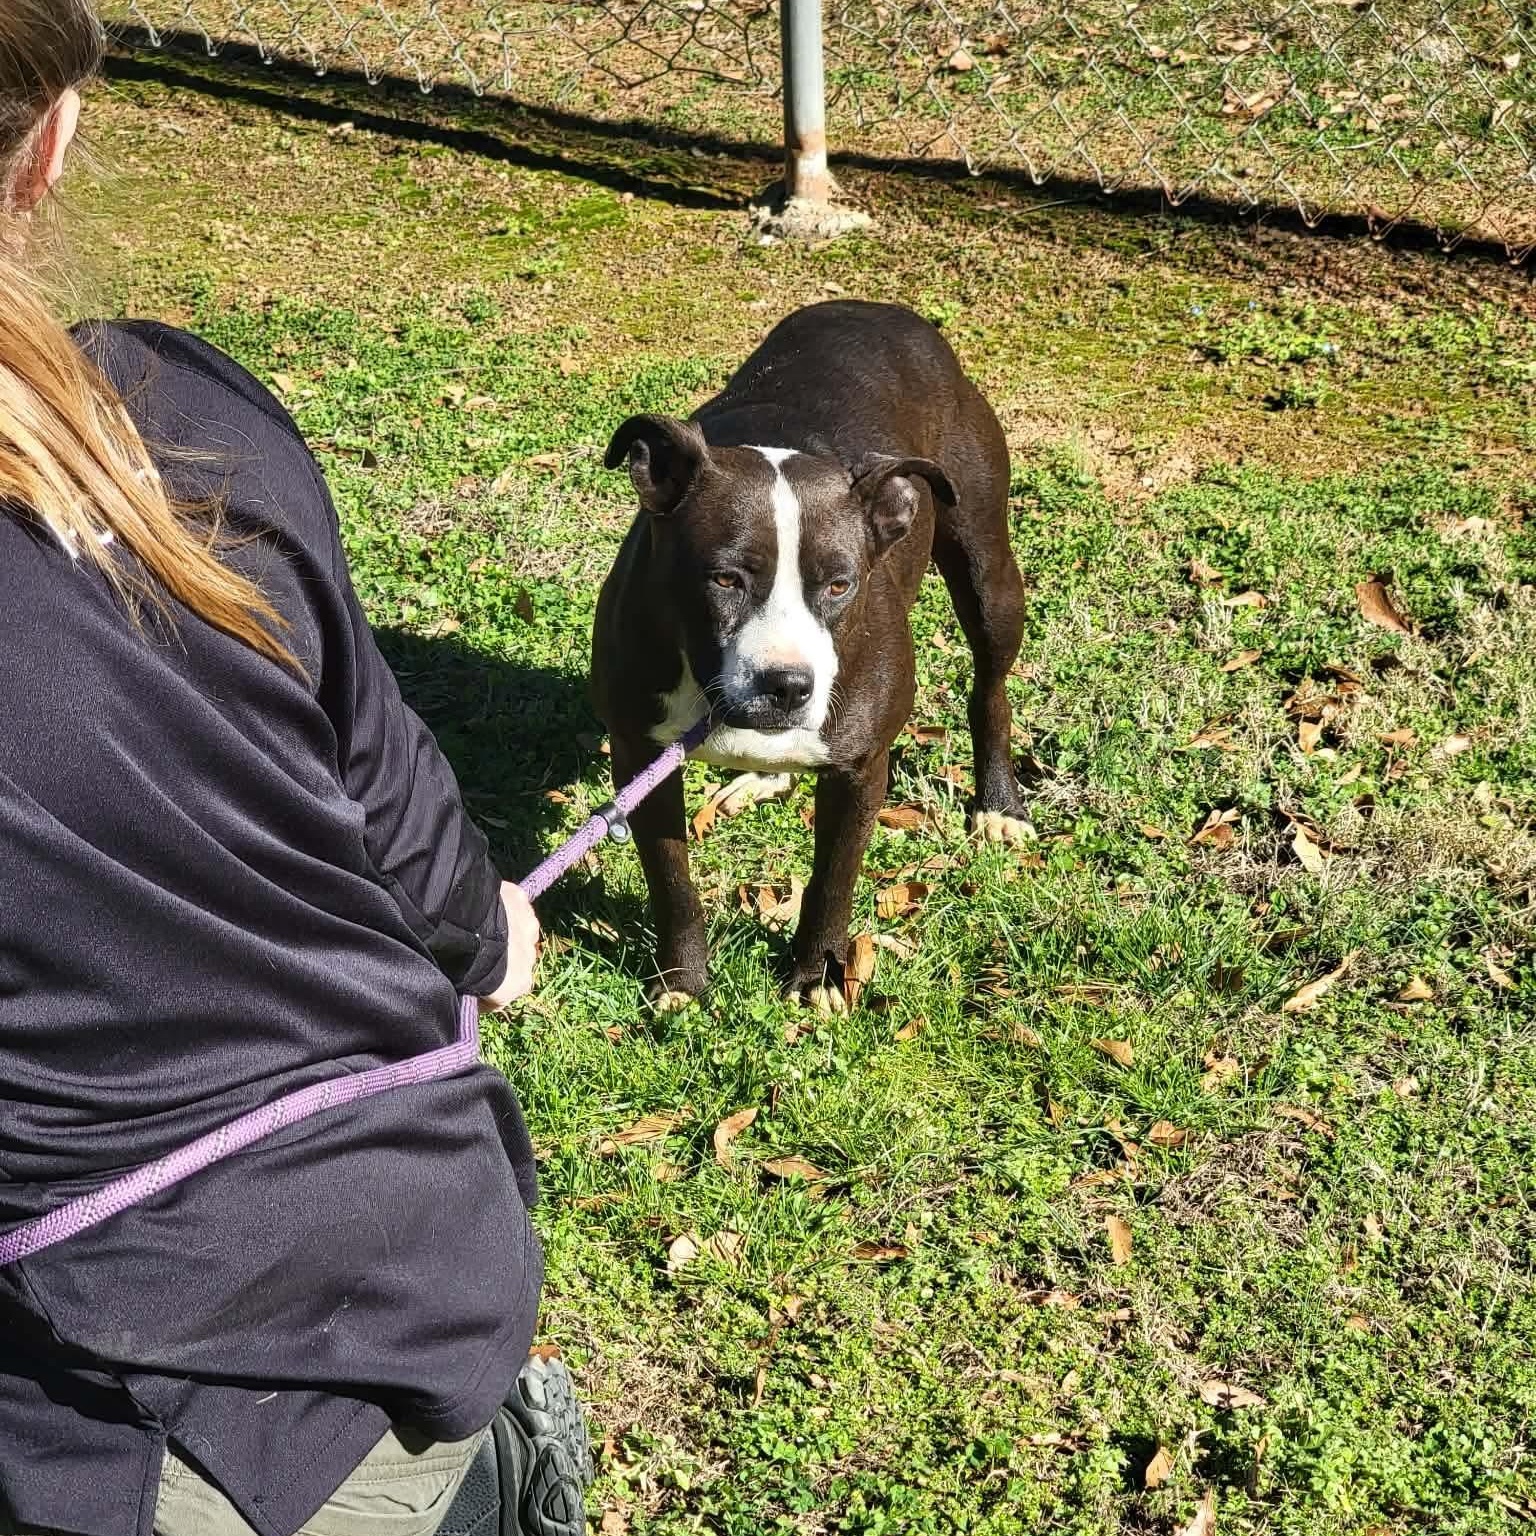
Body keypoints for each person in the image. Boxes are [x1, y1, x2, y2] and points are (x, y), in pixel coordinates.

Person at [0, 6, 593, 1534]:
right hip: (388, 1311)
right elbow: (407, 828)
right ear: (50, 141)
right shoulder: (182, 418)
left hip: (175, 1405)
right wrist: (486, 935)